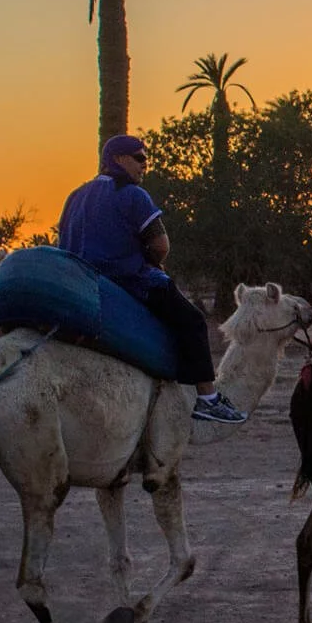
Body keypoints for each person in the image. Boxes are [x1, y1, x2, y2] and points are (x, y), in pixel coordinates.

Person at [58, 134, 246, 424]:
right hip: (128, 282)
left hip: (79, 285)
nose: (145, 165)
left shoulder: (75, 196)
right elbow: (161, 245)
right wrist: (152, 263)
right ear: (119, 159)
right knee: (193, 322)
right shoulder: (132, 194)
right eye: (140, 158)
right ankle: (208, 398)